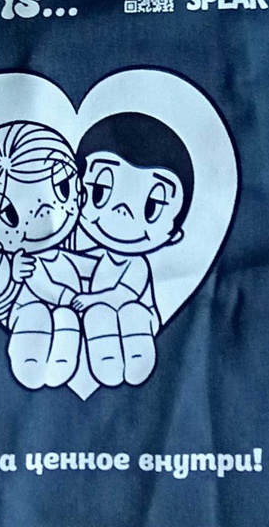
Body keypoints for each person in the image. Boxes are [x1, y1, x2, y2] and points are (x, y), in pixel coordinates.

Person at [0, 121, 84, 389]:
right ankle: (31, 361)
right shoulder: (25, 264)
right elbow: (40, 284)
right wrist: (68, 298)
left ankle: (64, 361)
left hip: (72, 307)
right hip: (32, 306)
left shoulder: (71, 253)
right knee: (36, 314)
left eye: (62, 188)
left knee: (67, 320)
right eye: (10, 214)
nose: (45, 211)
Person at [72, 113, 194, 387]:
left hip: (138, 318)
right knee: (98, 317)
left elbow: (124, 294)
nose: (121, 210)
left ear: (173, 235)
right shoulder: (100, 256)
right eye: (101, 190)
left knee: (129, 315)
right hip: (101, 315)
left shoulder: (137, 265)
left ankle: (130, 363)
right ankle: (103, 364)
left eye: (152, 206)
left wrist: (91, 299)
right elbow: (77, 263)